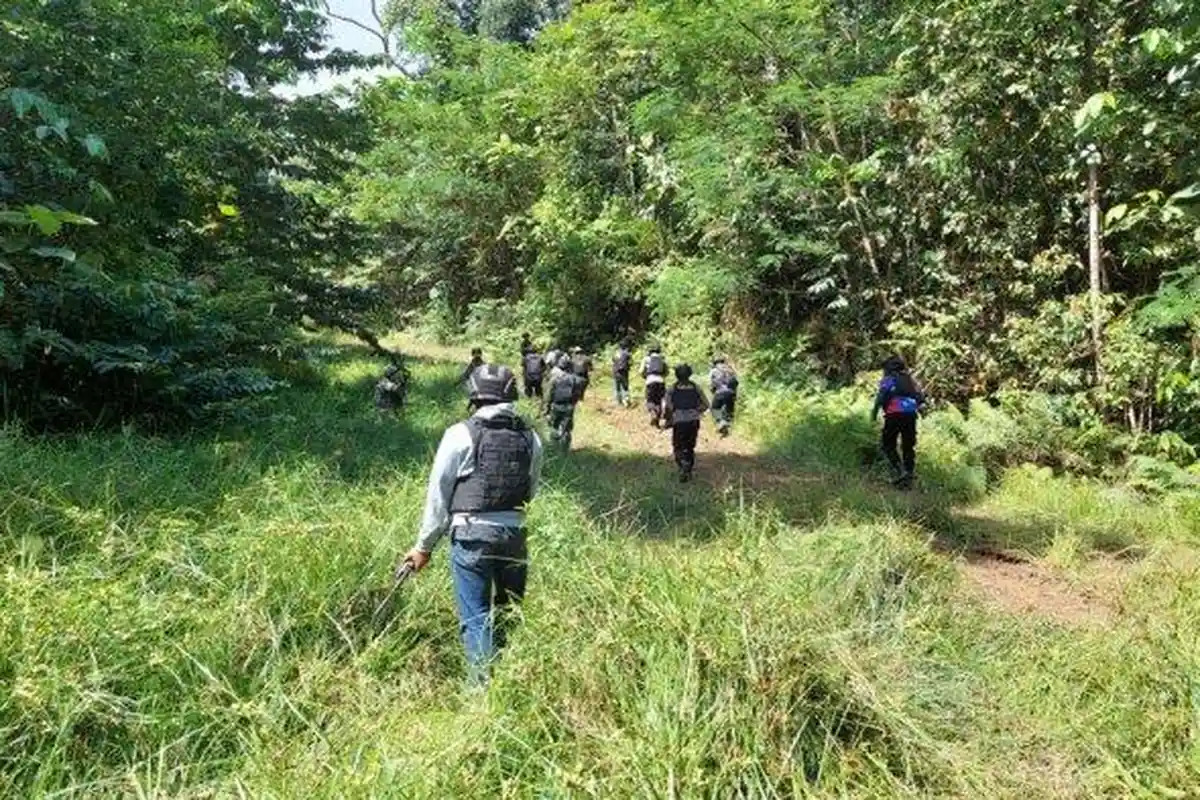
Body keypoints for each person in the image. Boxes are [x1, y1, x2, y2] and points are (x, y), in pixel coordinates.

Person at [403, 364, 543, 686]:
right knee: (509, 610)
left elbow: (439, 494)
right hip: (515, 534)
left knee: (477, 618)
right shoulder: (531, 437)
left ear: (475, 397)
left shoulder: (459, 434)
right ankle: (510, 677)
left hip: (471, 537)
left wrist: (423, 547)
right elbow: (530, 490)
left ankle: (481, 692)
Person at [870, 354, 926, 490]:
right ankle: (909, 473)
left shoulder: (888, 379)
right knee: (908, 446)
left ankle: (900, 471)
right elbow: (921, 397)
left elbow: (881, 397)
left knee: (888, 444)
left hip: (894, 414)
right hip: (910, 415)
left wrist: (874, 413)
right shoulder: (911, 380)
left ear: (888, 369)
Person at [663, 364, 709, 482]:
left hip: (679, 420)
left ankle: (682, 464)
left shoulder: (672, 389)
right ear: (690, 374)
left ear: (676, 375)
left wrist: (669, 419)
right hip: (693, 420)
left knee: (678, 445)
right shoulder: (696, 387)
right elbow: (706, 404)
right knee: (690, 445)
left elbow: (668, 406)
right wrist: (696, 410)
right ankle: (688, 467)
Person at [544, 355, 582, 449]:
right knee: (567, 429)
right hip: (569, 407)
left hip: (556, 406)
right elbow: (577, 394)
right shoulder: (575, 379)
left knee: (554, 427)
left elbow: (549, 395)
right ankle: (565, 450)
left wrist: (547, 409)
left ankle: (553, 448)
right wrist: (573, 404)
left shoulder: (555, 379)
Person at [709, 356, 739, 437]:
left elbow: (712, 385)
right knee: (729, 409)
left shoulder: (714, 371)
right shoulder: (730, 370)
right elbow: (736, 383)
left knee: (714, 408)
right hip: (731, 393)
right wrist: (735, 395)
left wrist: (713, 392)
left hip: (719, 392)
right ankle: (727, 424)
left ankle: (720, 423)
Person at [642, 344, 669, 428]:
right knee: (659, 400)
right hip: (661, 381)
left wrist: (645, 376)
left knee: (649, 399)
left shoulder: (646, 359)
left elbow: (641, 371)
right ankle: (657, 422)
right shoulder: (663, 360)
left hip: (650, 380)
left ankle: (653, 412)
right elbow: (667, 372)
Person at [612, 338, 633, 407]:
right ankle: (626, 400)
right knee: (625, 387)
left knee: (617, 387)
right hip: (624, 372)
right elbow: (631, 362)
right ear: (626, 346)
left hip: (615, 372)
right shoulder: (627, 354)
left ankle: (619, 402)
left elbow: (613, 361)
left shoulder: (615, 353)